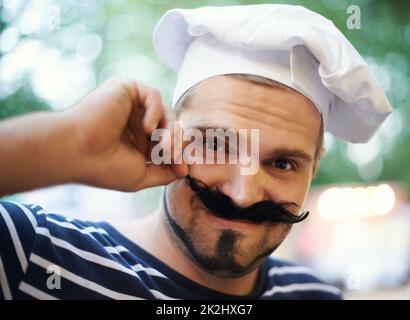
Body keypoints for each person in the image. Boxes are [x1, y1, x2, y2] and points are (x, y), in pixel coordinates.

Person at [0, 4, 391, 300]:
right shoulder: (34, 256)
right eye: (217, 144)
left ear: (314, 168)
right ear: (164, 133)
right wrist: (74, 144)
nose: (243, 193)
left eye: (282, 162)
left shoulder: (315, 294)